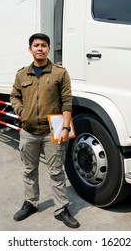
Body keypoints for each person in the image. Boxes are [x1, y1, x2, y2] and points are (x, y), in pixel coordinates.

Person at [10, 33, 80, 229]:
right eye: (36, 45)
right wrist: (21, 110)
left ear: (48, 49)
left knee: (56, 171)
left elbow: (67, 101)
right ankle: (30, 203)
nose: (40, 48)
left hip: (53, 131)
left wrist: (66, 127)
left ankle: (61, 209)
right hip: (29, 131)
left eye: (43, 45)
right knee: (29, 170)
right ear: (30, 49)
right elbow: (14, 96)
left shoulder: (59, 73)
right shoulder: (22, 74)